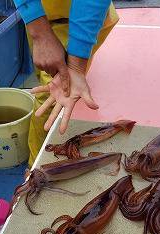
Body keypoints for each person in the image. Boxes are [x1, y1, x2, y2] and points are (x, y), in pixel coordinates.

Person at [13, 0, 119, 167]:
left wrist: (76, 64)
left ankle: (36, 167)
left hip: (83, 13)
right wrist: (40, 34)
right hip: (36, 13)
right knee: (47, 79)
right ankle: (37, 167)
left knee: (53, 95)